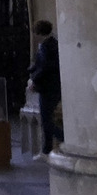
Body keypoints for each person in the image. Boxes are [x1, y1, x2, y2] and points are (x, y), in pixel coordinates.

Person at [28, 19, 62, 157]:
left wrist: (34, 80)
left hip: (49, 88)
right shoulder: (48, 44)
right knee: (46, 119)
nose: (34, 36)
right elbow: (40, 64)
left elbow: (46, 68)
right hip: (48, 87)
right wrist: (31, 70)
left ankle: (67, 139)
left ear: (39, 33)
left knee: (47, 121)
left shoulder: (48, 47)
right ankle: (46, 150)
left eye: (36, 33)